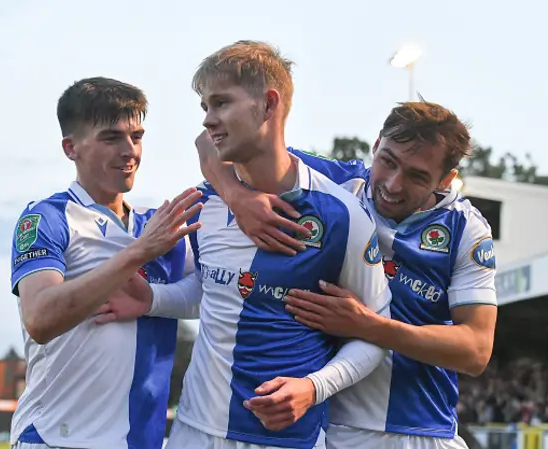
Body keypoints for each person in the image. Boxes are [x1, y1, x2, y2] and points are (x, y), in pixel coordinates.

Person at [102, 40, 392, 449]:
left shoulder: (342, 215)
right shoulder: (205, 204)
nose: (207, 121)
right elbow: (217, 291)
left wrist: (314, 388)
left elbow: (376, 334)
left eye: (220, 104)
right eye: (204, 107)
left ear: (269, 105)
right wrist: (153, 299)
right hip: (193, 432)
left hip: (289, 439)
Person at [196, 100, 498, 449]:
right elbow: (210, 142)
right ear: (375, 145)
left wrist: (369, 325)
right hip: (335, 431)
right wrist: (237, 198)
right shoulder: (335, 182)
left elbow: (475, 351)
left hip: (424, 433)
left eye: (417, 176)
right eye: (387, 162)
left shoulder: (465, 229)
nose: (393, 185)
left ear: (446, 180)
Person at [9, 77, 202, 449]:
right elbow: (40, 318)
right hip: (54, 439)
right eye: (111, 138)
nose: (130, 150)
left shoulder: (158, 225)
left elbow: (218, 295)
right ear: (71, 148)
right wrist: (137, 253)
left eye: (137, 136)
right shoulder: (48, 218)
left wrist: (153, 301)